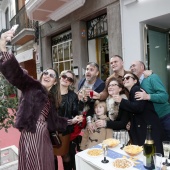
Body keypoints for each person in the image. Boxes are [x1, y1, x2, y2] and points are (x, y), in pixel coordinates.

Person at [0, 30, 68, 170]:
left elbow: (55, 121)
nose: (47, 75)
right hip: (31, 134)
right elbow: (16, 74)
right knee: (33, 164)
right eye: (46, 73)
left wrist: (72, 120)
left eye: (52, 75)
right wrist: (2, 47)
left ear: (55, 82)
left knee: (45, 164)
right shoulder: (32, 85)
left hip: (44, 136)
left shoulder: (50, 98)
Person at [113, 73, 163, 153]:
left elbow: (138, 108)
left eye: (128, 78)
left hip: (148, 130)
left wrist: (121, 100)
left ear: (135, 80)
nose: (125, 80)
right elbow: (135, 110)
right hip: (146, 129)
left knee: (152, 156)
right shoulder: (132, 93)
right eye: (123, 79)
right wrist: (130, 121)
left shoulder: (136, 89)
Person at [130, 61, 170, 141]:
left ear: (142, 67)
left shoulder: (152, 77)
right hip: (152, 122)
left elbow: (165, 96)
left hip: (165, 118)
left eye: (134, 65)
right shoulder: (135, 84)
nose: (131, 68)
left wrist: (147, 96)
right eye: (130, 66)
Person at [54, 70, 81, 170]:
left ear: (71, 83)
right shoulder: (51, 92)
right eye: (64, 76)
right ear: (60, 77)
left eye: (69, 79)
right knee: (52, 156)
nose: (66, 79)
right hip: (50, 130)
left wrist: (77, 118)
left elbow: (75, 112)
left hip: (65, 131)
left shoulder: (73, 96)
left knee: (66, 155)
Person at [95, 77, 130, 144]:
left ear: (120, 89)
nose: (110, 87)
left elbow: (123, 123)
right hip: (108, 135)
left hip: (121, 137)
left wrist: (105, 123)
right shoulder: (107, 101)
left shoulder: (124, 102)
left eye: (113, 85)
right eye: (109, 85)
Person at [78, 62, 105, 133]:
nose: (88, 72)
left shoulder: (100, 84)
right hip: (80, 114)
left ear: (97, 73)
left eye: (91, 70)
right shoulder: (82, 81)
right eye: (87, 69)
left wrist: (88, 99)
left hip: (93, 116)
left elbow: (97, 104)